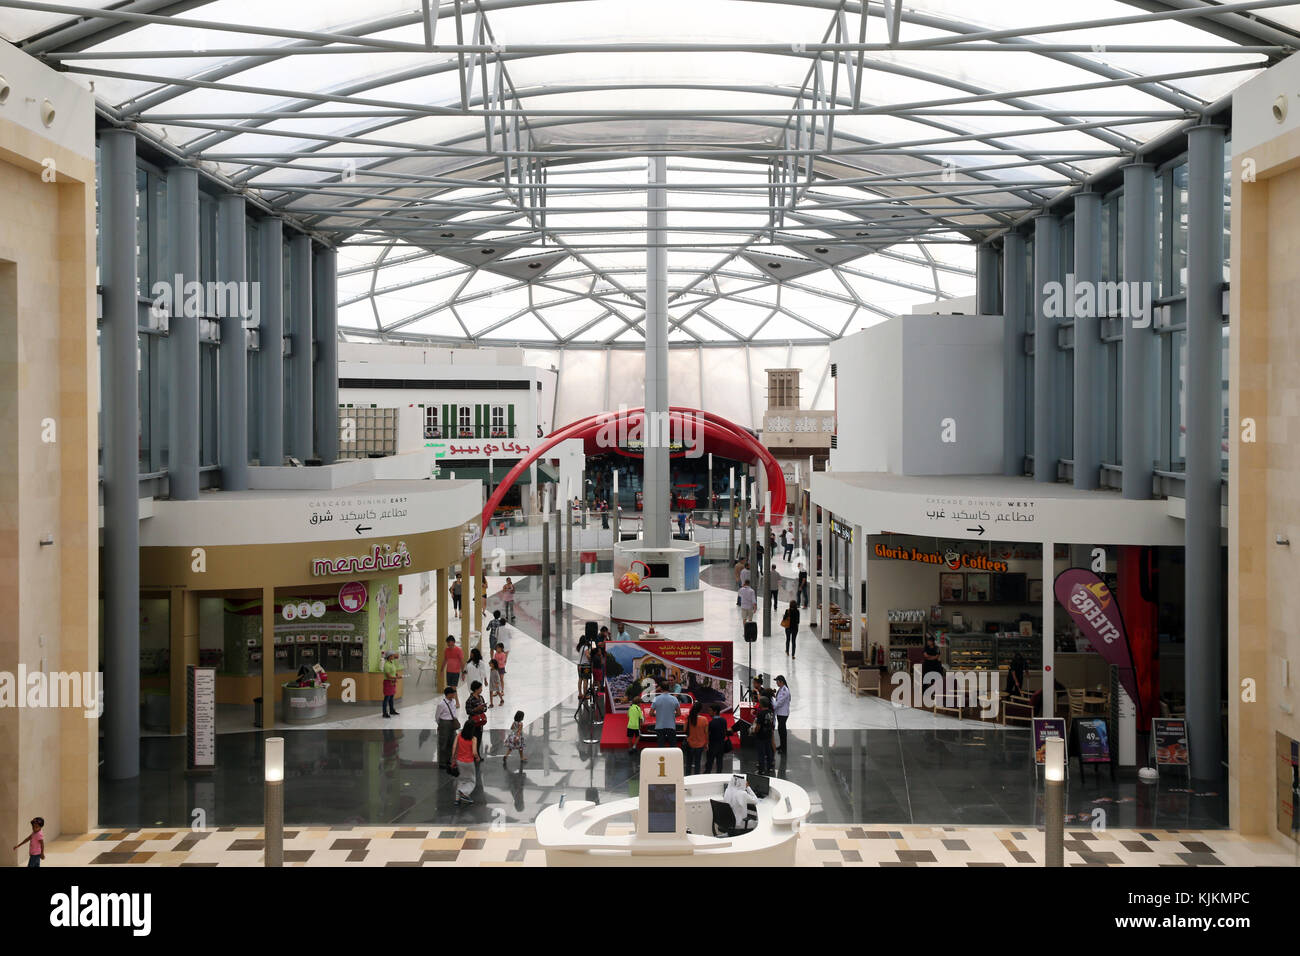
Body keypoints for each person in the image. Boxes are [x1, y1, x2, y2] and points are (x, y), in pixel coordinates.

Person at [436, 687, 460, 771]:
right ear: (448, 694)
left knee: (452, 742)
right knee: (443, 743)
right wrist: (440, 724)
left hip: (452, 723)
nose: (454, 695)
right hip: (444, 723)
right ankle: (442, 763)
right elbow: (437, 716)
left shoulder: (453, 701)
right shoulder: (441, 704)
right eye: (453, 693)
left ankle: (449, 760)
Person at [454, 723, 479, 805]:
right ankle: (464, 792)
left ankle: (457, 800)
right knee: (472, 780)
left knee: (461, 780)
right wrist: (477, 757)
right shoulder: (473, 738)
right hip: (469, 762)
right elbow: (474, 752)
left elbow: (454, 748)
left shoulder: (459, 735)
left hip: (459, 761)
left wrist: (453, 759)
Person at [465, 680, 488, 758]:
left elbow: (485, 709)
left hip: (480, 722)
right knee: (473, 739)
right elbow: (468, 711)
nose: (481, 690)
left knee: (479, 739)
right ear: (476, 689)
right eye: (480, 688)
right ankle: (472, 755)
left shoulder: (481, 698)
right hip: (473, 722)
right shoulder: (470, 699)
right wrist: (476, 709)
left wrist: (483, 708)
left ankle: (477, 754)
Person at [752, 696, 775, 774]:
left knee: (761, 753)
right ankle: (769, 767)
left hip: (761, 736)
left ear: (761, 704)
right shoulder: (771, 712)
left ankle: (761, 770)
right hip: (768, 734)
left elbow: (758, 726)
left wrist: (754, 732)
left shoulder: (761, 714)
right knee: (769, 751)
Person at [652, 682, 680, 748]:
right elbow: (679, 713)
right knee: (673, 746)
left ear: (661, 689)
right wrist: (671, 715)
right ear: (669, 688)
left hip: (659, 726)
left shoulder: (656, 699)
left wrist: (659, 715)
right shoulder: (674, 699)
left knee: (661, 746)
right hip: (671, 726)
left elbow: (651, 713)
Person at [685, 699, 709, 774]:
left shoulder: (689, 718)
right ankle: (696, 778)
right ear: (700, 709)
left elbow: (684, 729)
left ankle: (687, 778)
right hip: (700, 744)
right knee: (697, 763)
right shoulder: (704, 719)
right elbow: (706, 733)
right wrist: (706, 743)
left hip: (690, 743)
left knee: (688, 763)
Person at [705, 703, 729, 773]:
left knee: (710, 761)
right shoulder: (723, 720)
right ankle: (719, 774)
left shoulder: (711, 723)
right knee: (719, 761)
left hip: (712, 744)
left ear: (715, 712)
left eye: (710, 711)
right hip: (721, 744)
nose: (709, 712)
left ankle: (707, 774)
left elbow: (708, 733)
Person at [381, 651, 402, 718]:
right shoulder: (386, 665)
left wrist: (396, 674)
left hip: (392, 682)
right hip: (388, 682)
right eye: (392, 655)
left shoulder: (392, 662)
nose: (394, 656)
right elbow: (388, 676)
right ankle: (384, 713)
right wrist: (397, 677)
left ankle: (392, 710)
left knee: (391, 698)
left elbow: (393, 671)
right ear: (389, 657)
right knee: (386, 698)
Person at [773, 675, 791, 753]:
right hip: (780, 713)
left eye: (777, 681)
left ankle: (784, 749)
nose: (776, 683)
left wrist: (772, 707)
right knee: (781, 730)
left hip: (783, 714)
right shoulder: (781, 689)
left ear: (781, 681)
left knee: (782, 731)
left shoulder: (784, 690)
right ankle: (782, 746)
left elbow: (780, 702)